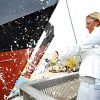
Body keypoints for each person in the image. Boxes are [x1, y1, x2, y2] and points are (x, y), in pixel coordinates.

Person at [60, 12, 100, 100]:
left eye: (88, 23)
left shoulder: (98, 32)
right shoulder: (93, 37)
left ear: (97, 22)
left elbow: (80, 47)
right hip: (87, 81)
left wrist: (59, 55)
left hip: (92, 83)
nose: (86, 26)